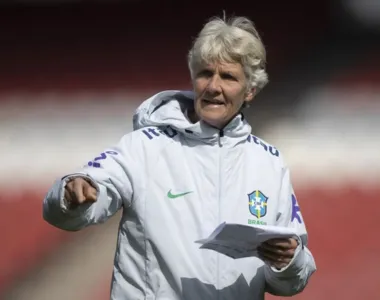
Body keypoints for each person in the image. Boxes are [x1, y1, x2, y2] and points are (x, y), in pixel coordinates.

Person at [43, 15, 316, 300]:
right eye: (205, 73)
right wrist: (72, 193)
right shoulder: (144, 147)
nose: (213, 86)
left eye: (228, 77)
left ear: (250, 91)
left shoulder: (269, 162)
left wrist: (289, 261)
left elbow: (294, 278)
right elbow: (80, 198)